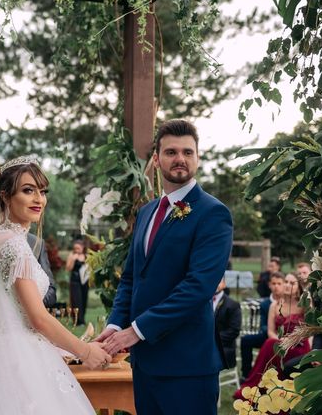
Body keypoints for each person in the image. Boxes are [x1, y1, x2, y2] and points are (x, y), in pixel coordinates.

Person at [0, 156, 111, 414]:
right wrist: (84, 351)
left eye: (42, 191)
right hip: (18, 363)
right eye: (28, 191)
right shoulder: (13, 245)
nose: (39, 199)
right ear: (6, 197)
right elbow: (37, 318)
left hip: (3, 355)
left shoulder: (0, 240)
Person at [96, 119, 233, 415]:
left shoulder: (213, 213)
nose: (180, 159)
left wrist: (136, 330)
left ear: (198, 158)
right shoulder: (147, 212)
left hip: (187, 366)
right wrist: (115, 325)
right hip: (145, 363)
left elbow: (198, 287)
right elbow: (132, 278)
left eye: (188, 152)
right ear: (156, 159)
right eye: (171, 152)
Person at [235, 272, 310, 399]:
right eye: (286, 282)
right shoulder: (274, 305)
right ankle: (260, 386)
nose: (287, 285)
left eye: (292, 283)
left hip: (298, 346)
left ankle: (268, 386)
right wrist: (281, 341)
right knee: (270, 343)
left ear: (299, 287)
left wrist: (292, 340)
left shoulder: (304, 305)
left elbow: (309, 330)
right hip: (279, 343)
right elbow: (270, 331)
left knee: (270, 345)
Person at [240, 271, 285, 379]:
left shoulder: (288, 301)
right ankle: (246, 374)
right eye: (274, 284)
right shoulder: (265, 303)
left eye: (279, 284)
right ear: (269, 285)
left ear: (284, 284)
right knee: (246, 340)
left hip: (286, 335)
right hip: (268, 335)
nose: (276, 287)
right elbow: (263, 325)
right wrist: (271, 332)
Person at [214, 278, 241, 369]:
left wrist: (213, 340)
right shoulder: (204, 302)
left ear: (224, 284)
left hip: (224, 347)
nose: (216, 283)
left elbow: (234, 331)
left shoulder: (232, 305)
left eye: (219, 281)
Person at [66, 239, 90, 325]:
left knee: (84, 300)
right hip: (75, 281)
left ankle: (82, 320)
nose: (76, 250)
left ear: (83, 248)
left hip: (84, 281)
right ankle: (77, 321)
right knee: (76, 301)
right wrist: (73, 259)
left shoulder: (86, 256)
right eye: (75, 248)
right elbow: (68, 268)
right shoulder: (72, 255)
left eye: (78, 248)